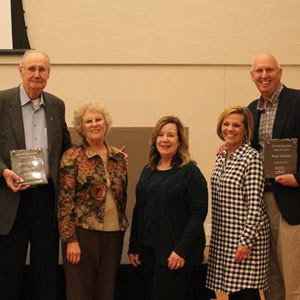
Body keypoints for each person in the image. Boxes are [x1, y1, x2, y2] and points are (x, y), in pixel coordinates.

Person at [0, 50, 71, 300]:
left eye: (42, 69)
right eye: (31, 69)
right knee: (8, 274)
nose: (37, 74)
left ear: (49, 74)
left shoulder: (56, 105)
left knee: (45, 273)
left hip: (45, 200)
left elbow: (66, 148)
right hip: (11, 200)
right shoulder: (2, 101)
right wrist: (4, 171)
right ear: (20, 71)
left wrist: (107, 153)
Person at [128, 115, 208, 300]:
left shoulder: (190, 172)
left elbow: (198, 214)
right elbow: (139, 209)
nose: (165, 140)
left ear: (180, 141)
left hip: (175, 254)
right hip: (149, 251)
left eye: (171, 135)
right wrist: (134, 246)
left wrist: (181, 251)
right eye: (161, 135)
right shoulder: (148, 170)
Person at [57, 102, 128, 300]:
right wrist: (70, 240)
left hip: (114, 235)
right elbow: (65, 202)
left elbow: (123, 196)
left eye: (98, 120)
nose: (94, 124)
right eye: (88, 121)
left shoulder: (119, 157)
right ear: (81, 128)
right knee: (80, 293)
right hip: (82, 234)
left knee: (106, 292)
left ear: (106, 124)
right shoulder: (72, 157)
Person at [248, 53, 300, 300]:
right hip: (260, 202)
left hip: (291, 201)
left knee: (293, 277)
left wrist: (299, 177)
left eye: (269, 70)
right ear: (252, 76)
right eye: (259, 71)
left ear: (280, 72)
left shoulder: (298, 101)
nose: (264, 75)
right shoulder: (250, 110)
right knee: (270, 280)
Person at [206, 106, 269, 300]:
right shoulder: (221, 156)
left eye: (236, 125)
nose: (230, 129)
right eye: (226, 124)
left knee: (246, 292)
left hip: (245, 238)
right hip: (225, 237)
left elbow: (255, 205)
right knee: (233, 291)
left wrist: (246, 242)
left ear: (245, 130)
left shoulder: (252, 158)